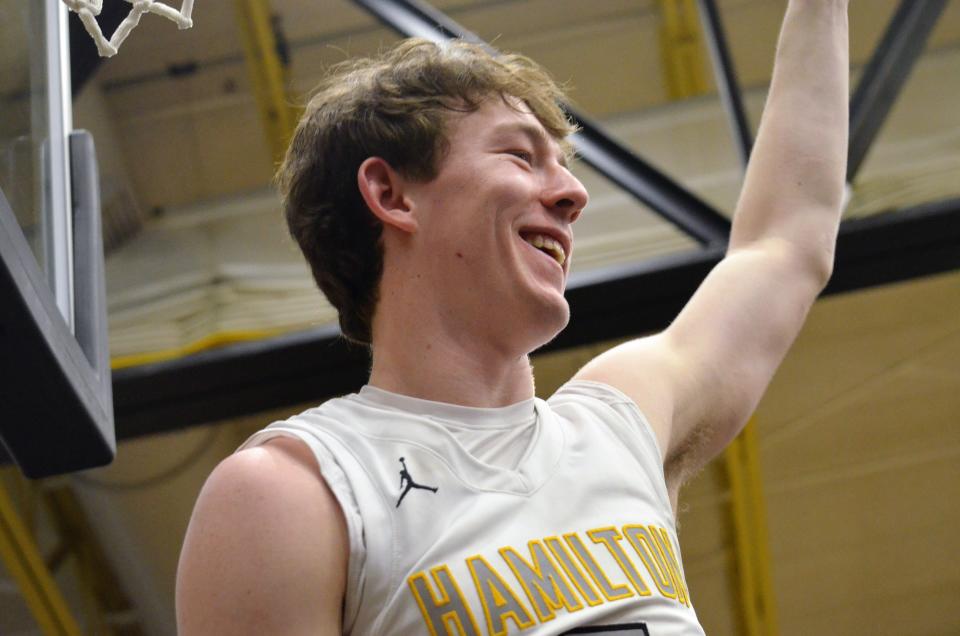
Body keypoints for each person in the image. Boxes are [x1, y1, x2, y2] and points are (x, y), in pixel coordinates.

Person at [176, 1, 849, 633]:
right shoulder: (296, 490)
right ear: (391, 194)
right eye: (520, 156)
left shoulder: (618, 424)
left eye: (562, 166)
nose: (573, 193)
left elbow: (784, 245)